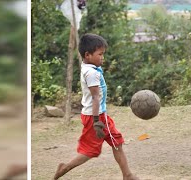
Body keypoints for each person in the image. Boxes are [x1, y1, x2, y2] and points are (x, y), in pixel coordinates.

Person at [54, 33, 139, 180]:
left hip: (100, 115)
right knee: (90, 151)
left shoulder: (88, 67)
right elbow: (95, 97)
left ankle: (127, 175)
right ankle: (65, 167)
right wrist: (96, 122)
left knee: (116, 141)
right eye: (100, 54)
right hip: (96, 117)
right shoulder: (91, 73)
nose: (102, 57)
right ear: (87, 55)